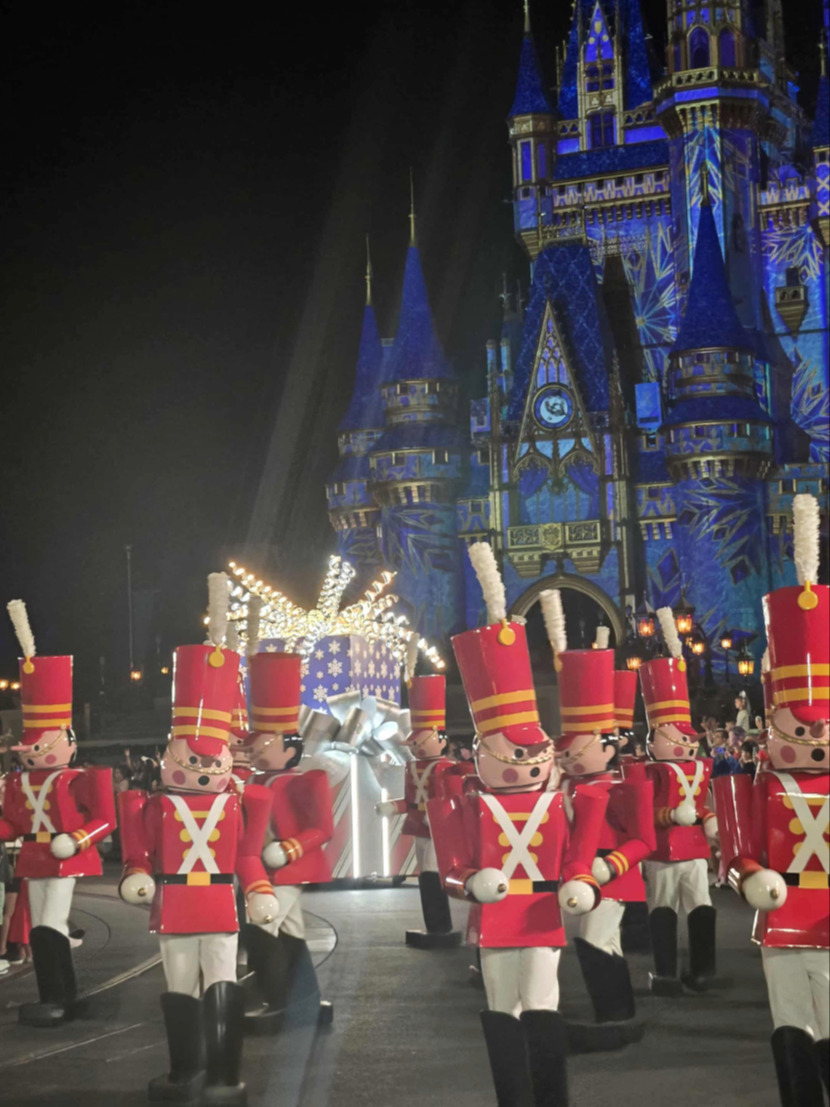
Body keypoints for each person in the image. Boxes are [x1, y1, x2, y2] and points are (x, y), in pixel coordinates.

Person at [429, 551, 606, 1106]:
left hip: (543, 913)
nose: (526, 762)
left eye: (532, 750)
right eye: (512, 750)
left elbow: (577, 854)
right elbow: (451, 869)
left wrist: (581, 878)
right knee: (501, 1008)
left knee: (545, 1005)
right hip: (494, 918)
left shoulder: (564, 800)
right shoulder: (464, 803)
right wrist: (467, 882)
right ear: (481, 752)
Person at [118, 576, 278, 1105]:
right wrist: (136, 873)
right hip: (174, 902)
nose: (203, 770)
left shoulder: (239, 803)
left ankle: (224, 1072)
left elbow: (246, 855)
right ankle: (185, 1067)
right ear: (170, 755)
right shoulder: (154, 805)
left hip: (218, 902)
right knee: (179, 986)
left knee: (222, 983)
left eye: (212, 761)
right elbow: (140, 853)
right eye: (192, 759)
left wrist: (258, 888)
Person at [714, 493, 828, 1107]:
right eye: (800, 729)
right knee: (790, 1024)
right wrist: (749, 874)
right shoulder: (753, 785)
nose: (813, 741)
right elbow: (737, 854)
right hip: (779, 921)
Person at [0, 600, 116, 1026]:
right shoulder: (17, 782)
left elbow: (105, 818)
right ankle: (57, 995)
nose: (31, 753)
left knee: (49, 924)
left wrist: (78, 839)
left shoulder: (78, 778)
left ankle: (60, 997)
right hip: (35, 855)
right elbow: (13, 823)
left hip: (64, 855)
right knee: (40, 927)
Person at [635, 607, 719, 996]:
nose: (686, 744)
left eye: (688, 737)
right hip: (662, 851)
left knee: (701, 907)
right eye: (676, 737)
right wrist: (670, 814)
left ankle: (703, 969)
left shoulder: (699, 768)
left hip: (695, 849)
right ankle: (666, 971)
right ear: (654, 741)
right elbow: (642, 813)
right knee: (663, 909)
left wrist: (708, 818)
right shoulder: (649, 772)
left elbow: (702, 802)